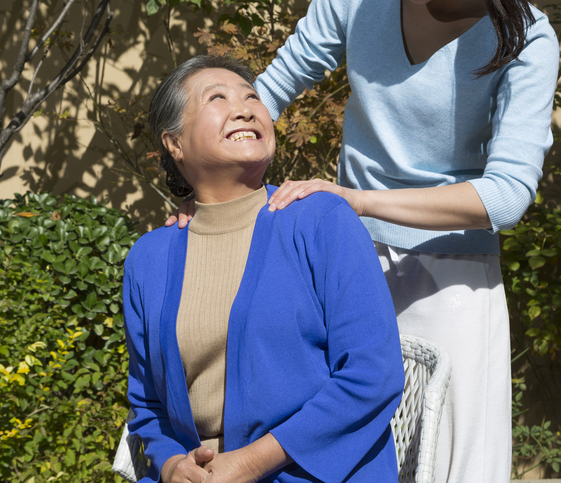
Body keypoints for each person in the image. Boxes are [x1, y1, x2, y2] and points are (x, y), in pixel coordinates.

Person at [170, 0, 559, 483]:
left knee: (452, 467)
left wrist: (360, 201)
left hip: (453, 280)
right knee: (332, 452)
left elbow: (507, 194)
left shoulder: (524, 37)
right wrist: (208, 203)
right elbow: (271, 91)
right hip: (347, 268)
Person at [124, 54, 405, 483]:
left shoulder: (320, 220)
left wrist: (250, 462)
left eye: (251, 96)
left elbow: (372, 374)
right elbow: (147, 406)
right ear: (174, 143)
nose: (245, 108)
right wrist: (169, 465)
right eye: (217, 98)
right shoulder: (149, 258)